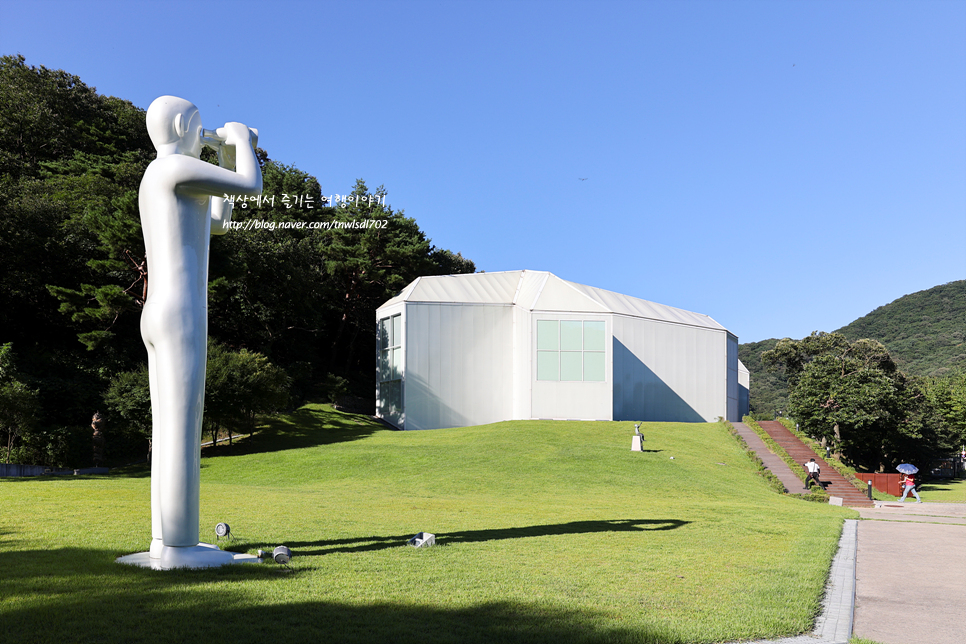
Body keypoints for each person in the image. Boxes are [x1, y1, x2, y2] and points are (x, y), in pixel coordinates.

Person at [139, 96, 261, 565]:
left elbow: (221, 222)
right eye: (200, 124)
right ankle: (182, 545)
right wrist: (243, 140)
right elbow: (251, 185)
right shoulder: (172, 171)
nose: (203, 130)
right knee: (181, 426)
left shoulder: (163, 178)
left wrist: (226, 154)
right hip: (181, 313)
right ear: (183, 125)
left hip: (160, 313)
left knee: (170, 426)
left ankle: (165, 540)